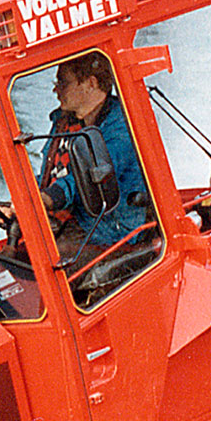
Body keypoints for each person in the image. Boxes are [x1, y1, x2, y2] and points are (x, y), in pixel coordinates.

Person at [41, 51, 152, 268]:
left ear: (90, 84)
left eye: (63, 82)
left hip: (110, 231)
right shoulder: (65, 123)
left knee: (51, 265)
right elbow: (50, 172)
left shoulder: (121, 127)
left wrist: (49, 198)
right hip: (78, 221)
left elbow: (93, 174)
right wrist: (24, 200)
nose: (56, 90)